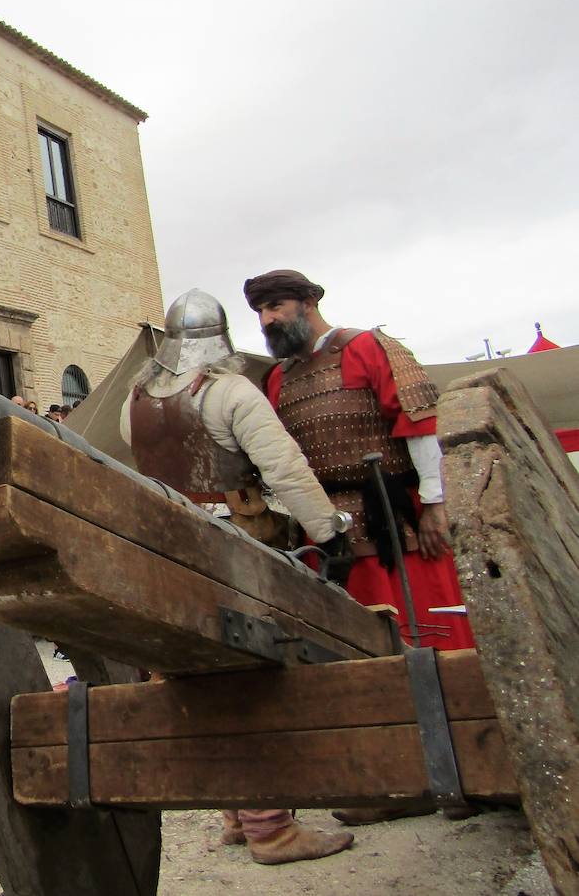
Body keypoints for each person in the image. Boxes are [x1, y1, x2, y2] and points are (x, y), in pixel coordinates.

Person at [120, 289, 355, 865]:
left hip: (167, 550)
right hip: (232, 551)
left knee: (200, 678)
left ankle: (235, 812)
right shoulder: (228, 391)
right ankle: (271, 827)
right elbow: (284, 466)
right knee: (254, 678)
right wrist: (328, 530)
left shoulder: (137, 400)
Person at [243, 270, 474, 652]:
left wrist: (435, 504)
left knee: (429, 637)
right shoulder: (278, 379)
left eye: (275, 306)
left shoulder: (369, 347)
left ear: (309, 302)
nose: (267, 319)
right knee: (347, 647)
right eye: (260, 311)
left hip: (395, 521)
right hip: (322, 533)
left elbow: (418, 423)